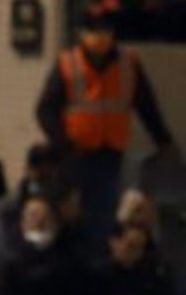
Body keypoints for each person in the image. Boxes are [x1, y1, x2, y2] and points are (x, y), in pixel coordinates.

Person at [36, 9, 175, 257]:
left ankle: (97, 262)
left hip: (111, 154)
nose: (100, 38)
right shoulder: (68, 63)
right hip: (76, 154)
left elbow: (146, 105)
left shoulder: (128, 63)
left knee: (103, 214)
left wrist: (163, 140)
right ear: (82, 34)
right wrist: (63, 143)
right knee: (72, 213)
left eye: (104, 31)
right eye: (94, 31)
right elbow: (45, 110)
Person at [0, 196, 98, 295]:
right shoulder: (9, 264)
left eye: (45, 216)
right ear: (22, 223)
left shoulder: (73, 262)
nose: (40, 221)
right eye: (33, 216)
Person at [95, 223, 173, 295]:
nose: (136, 253)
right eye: (130, 246)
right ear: (113, 242)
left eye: (140, 248)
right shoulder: (97, 274)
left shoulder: (148, 274)